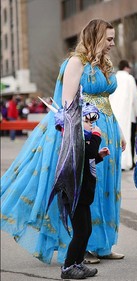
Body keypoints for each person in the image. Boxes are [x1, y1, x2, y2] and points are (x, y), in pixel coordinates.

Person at [1, 19, 125, 265]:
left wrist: (119, 130)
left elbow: (106, 103)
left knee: (108, 186)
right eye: (109, 38)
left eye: (113, 38)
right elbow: (67, 105)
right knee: (90, 188)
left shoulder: (104, 64)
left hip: (108, 127)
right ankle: (83, 247)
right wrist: (83, 134)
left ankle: (102, 244)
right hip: (86, 131)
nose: (113, 43)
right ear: (95, 37)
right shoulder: (75, 63)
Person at [61, 103, 110, 279]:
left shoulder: (83, 140)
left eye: (93, 121)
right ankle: (67, 268)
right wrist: (96, 137)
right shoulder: (75, 140)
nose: (92, 124)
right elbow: (87, 152)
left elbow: (86, 162)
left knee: (87, 230)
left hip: (83, 193)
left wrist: (99, 157)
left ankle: (78, 263)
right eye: (88, 121)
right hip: (75, 194)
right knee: (80, 232)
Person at [110, 59, 137, 171]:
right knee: (129, 138)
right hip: (128, 114)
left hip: (114, 112)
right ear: (127, 67)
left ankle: (116, 161)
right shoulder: (129, 78)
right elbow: (135, 98)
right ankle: (129, 161)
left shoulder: (113, 77)